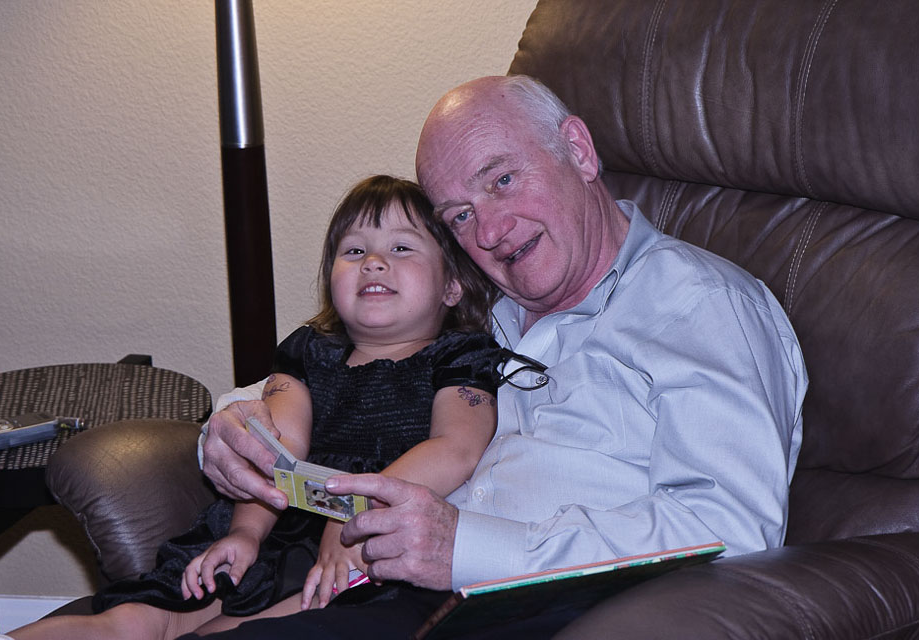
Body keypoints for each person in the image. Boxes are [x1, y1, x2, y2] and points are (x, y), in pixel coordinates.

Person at [188, 75, 808, 639]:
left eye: (502, 180)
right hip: (381, 588)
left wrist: (466, 548)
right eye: (460, 215)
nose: (488, 232)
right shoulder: (476, 312)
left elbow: (729, 530)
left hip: (551, 611)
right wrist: (231, 427)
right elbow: (331, 378)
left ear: (579, 151)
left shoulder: (701, 305)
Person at [2, 175, 503, 640]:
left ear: (452, 285)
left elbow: (454, 447)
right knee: (135, 621)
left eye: (401, 247)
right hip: (274, 521)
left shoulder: (462, 358)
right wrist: (244, 532)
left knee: (246, 626)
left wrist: (355, 514)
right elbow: (275, 449)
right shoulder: (307, 352)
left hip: (366, 543)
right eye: (354, 250)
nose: (373, 261)